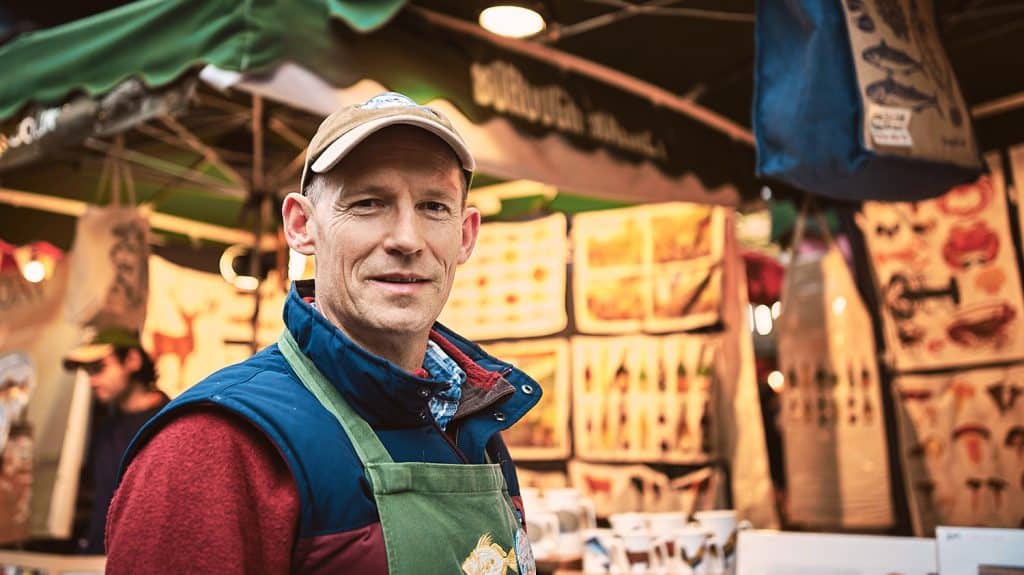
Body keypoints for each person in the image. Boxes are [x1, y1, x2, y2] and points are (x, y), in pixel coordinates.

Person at [105, 92, 543, 574]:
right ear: (301, 225)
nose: (407, 239)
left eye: (434, 206)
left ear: (465, 235)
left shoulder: (474, 422)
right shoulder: (211, 447)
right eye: (368, 203)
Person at [61, 327, 168, 555]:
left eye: (99, 368)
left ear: (132, 360)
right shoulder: (104, 425)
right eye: (88, 372)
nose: (92, 381)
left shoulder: (168, 423)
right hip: (97, 557)